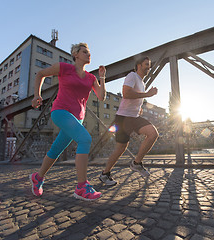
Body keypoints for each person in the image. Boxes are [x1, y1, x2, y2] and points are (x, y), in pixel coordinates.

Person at [30, 42, 106, 201]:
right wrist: (37, 95)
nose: (88, 54)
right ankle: (81, 187)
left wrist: (102, 78)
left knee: (56, 149)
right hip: (60, 111)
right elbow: (40, 74)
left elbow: (101, 97)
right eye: (85, 51)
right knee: (85, 139)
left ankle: (38, 177)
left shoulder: (91, 78)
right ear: (75, 54)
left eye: (89, 52)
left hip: (77, 118)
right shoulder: (64, 68)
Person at [99, 56, 158, 186]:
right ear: (139, 65)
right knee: (120, 148)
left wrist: (139, 108)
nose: (149, 67)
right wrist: (147, 95)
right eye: (146, 64)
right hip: (123, 118)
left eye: (150, 65)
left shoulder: (142, 83)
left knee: (153, 133)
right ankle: (105, 174)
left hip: (134, 117)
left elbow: (134, 98)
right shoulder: (132, 76)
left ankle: (137, 163)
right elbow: (126, 94)